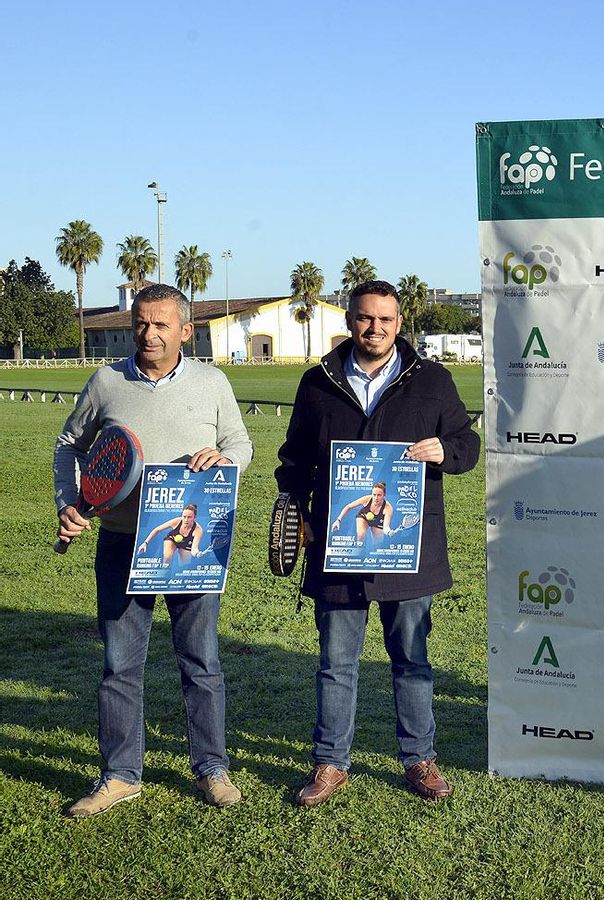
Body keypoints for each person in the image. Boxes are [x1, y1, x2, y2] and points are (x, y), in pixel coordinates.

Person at [275, 279, 480, 807]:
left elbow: (467, 444)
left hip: (408, 549)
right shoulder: (317, 382)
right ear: (349, 320)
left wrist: (444, 452)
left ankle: (420, 759)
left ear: (399, 323)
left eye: (385, 320)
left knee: (411, 659)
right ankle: (329, 763)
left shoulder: (432, 380)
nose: (375, 328)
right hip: (338, 547)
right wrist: (295, 510)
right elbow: (294, 459)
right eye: (366, 318)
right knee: (335, 662)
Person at [54, 284, 253, 817]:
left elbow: (242, 444)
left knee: (202, 661)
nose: (149, 333)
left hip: (194, 548)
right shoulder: (106, 381)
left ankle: (212, 769)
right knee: (120, 666)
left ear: (186, 331)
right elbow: (69, 444)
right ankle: (120, 775)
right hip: (123, 542)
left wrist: (224, 457)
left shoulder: (213, 382)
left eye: (162, 324)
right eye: (142, 323)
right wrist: (68, 501)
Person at [139, 503, 204, 566]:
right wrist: (145, 543)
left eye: (189, 517)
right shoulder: (176, 521)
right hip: (172, 539)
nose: (186, 519)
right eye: (184, 516)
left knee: (184, 565)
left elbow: (194, 549)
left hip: (186, 544)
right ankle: (163, 572)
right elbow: (157, 529)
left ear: (194, 517)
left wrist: (197, 554)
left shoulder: (198, 530)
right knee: (167, 557)